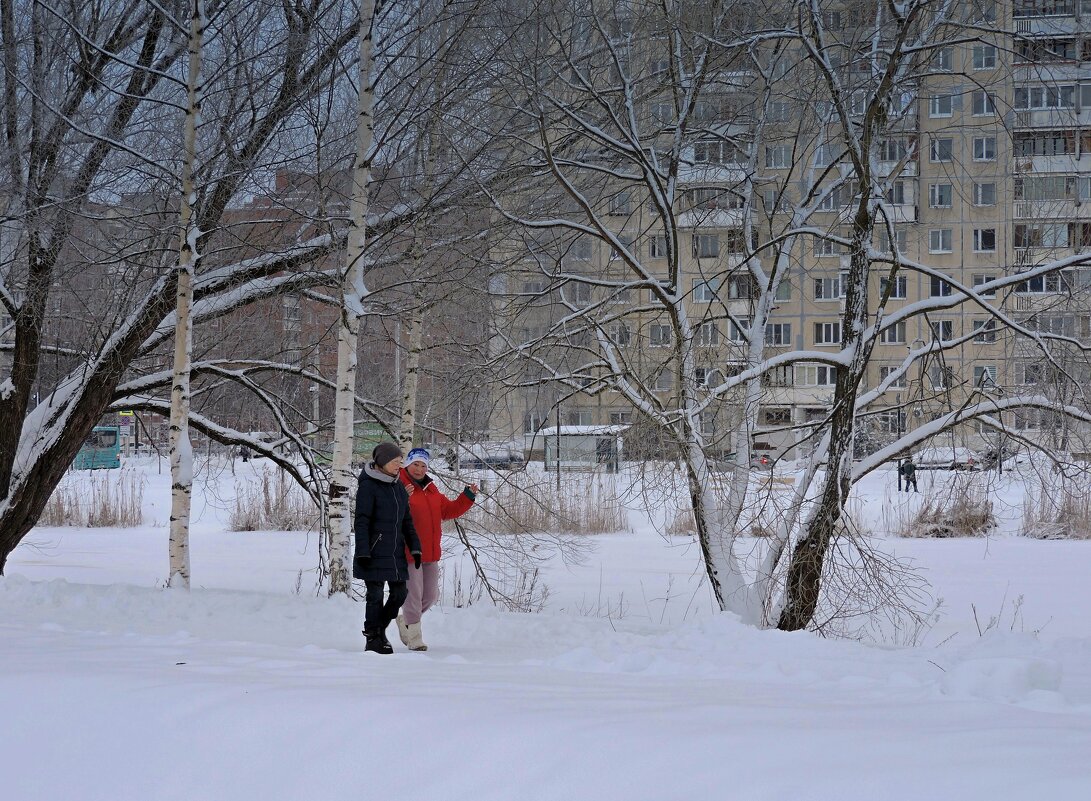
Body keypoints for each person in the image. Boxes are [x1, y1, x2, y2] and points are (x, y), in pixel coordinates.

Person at [397, 447, 477, 651]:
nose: (419, 469)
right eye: (416, 464)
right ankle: (414, 638)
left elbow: (449, 510)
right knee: (413, 595)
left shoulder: (432, 490)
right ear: (407, 464)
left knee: (431, 595)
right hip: (408, 551)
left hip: (430, 552)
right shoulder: (400, 485)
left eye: (423, 465)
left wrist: (467, 496)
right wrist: (400, 498)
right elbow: (391, 512)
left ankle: (405, 620)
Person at [354, 441, 422, 655]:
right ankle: (374, 639)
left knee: (400, 593)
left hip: (394, 552)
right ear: (382, 462)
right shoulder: (368, 486)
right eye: (395, 462)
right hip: (373, 551)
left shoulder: (397, 486)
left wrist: (415, 548)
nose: (399, 466)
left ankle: (376, 629)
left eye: (400, 462)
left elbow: (406, 521)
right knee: (374, 595)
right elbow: (362, 520)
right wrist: (363, 550)